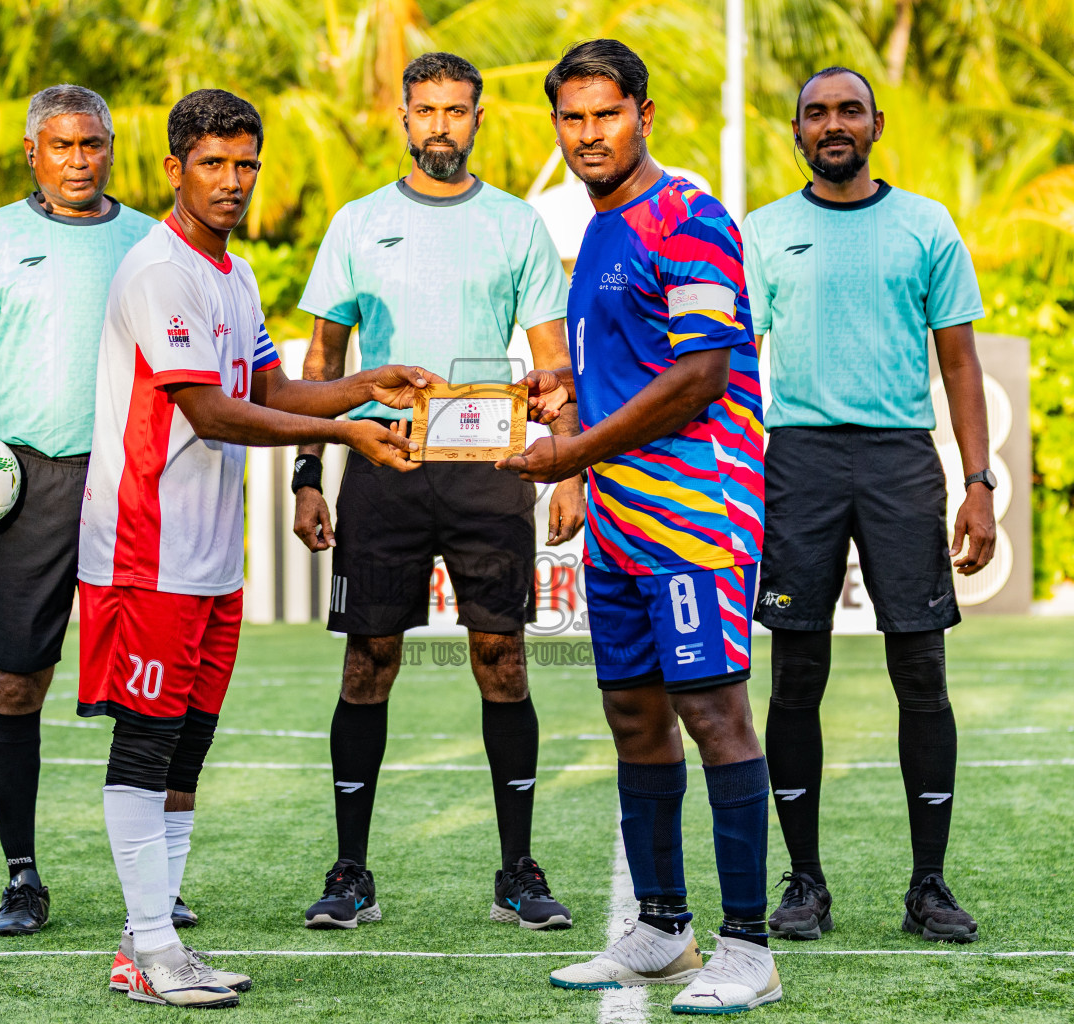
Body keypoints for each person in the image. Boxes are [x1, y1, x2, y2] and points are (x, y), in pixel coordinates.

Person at [81, 88, 440, 1009]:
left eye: (246, 164)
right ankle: (153, 948)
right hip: (144, 547)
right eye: (214, 164)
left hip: (209, 553)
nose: (233, 181)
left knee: (188, 752)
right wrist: (356, 439)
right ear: (174, 170)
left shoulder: (233, 277)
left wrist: (363, 388)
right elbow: (210, 409)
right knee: (148, 743)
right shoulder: (158, 271)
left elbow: (274, 386)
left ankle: (148, 942)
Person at [501, 40, 779, 1014]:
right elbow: (626, 367)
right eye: (572, 119)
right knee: (633, 716)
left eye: (605, 115)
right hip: (619, 527)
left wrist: (572, 454)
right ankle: (663, 927)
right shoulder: (600, 233)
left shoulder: (690, 218)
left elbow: (699, 375)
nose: (589, 135)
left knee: (714, 715)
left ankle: (747, 944)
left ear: (644, 114)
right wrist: (562, 391)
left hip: (698, 517)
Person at [291, 51, 582, 931]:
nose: (441, 126)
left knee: (502, 660)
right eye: (427, 110)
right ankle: (350, 874)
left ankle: (517, 873)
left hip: (492, 474)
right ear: (404, 118)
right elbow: (320, 363)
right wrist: (311, 471)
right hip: (384, 468)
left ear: (478, 119)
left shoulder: (517, 225)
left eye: (457, 110)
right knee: (367, 661)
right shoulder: (356, 222)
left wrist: (568, 462)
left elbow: (554, 363)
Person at [741, 66, 994, 945]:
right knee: (796, 673)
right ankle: (804, 881)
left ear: (877, 123)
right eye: (816, 112)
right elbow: (737, 366)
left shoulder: (926, 225)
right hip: (798, 461)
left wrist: (980, 482)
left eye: (849, 110)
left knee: (920, 670)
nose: (833, 124)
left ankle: (929, 884)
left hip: (899, 461)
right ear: (798, 130)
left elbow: (959, 363)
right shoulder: (764, 233)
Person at [0, 84, 158, 936]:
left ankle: (155, 883)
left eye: (92, 145)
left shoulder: (150, 241)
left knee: (145, 689)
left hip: (128, 481)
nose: (78, 161)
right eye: (61, 145)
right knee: (18, 682)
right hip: (22, 489)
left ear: (112, 149)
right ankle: (22, 877)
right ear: (31, 154)